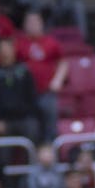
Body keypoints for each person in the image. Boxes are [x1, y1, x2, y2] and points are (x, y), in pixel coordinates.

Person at [15, 11, 68, 142]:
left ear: (42, 24)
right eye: (29, 22)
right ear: (24, 25)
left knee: (51, 129)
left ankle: (51, 158)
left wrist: (58, 80)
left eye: (35, 22)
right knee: (32, 130)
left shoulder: (51, 42)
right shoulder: (19, 44)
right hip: (27, 96)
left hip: (47, 93)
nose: (32, 25)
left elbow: (63, 62)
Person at [0, 37, 41, 143]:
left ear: (13, 50)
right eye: (2, 49)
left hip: (25, 117)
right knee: (2, 143)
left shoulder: (24, 71)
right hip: (5, 119)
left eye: (8, 48)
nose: (5, 52)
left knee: (33, 128)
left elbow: (31, 94)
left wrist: (31, 114)